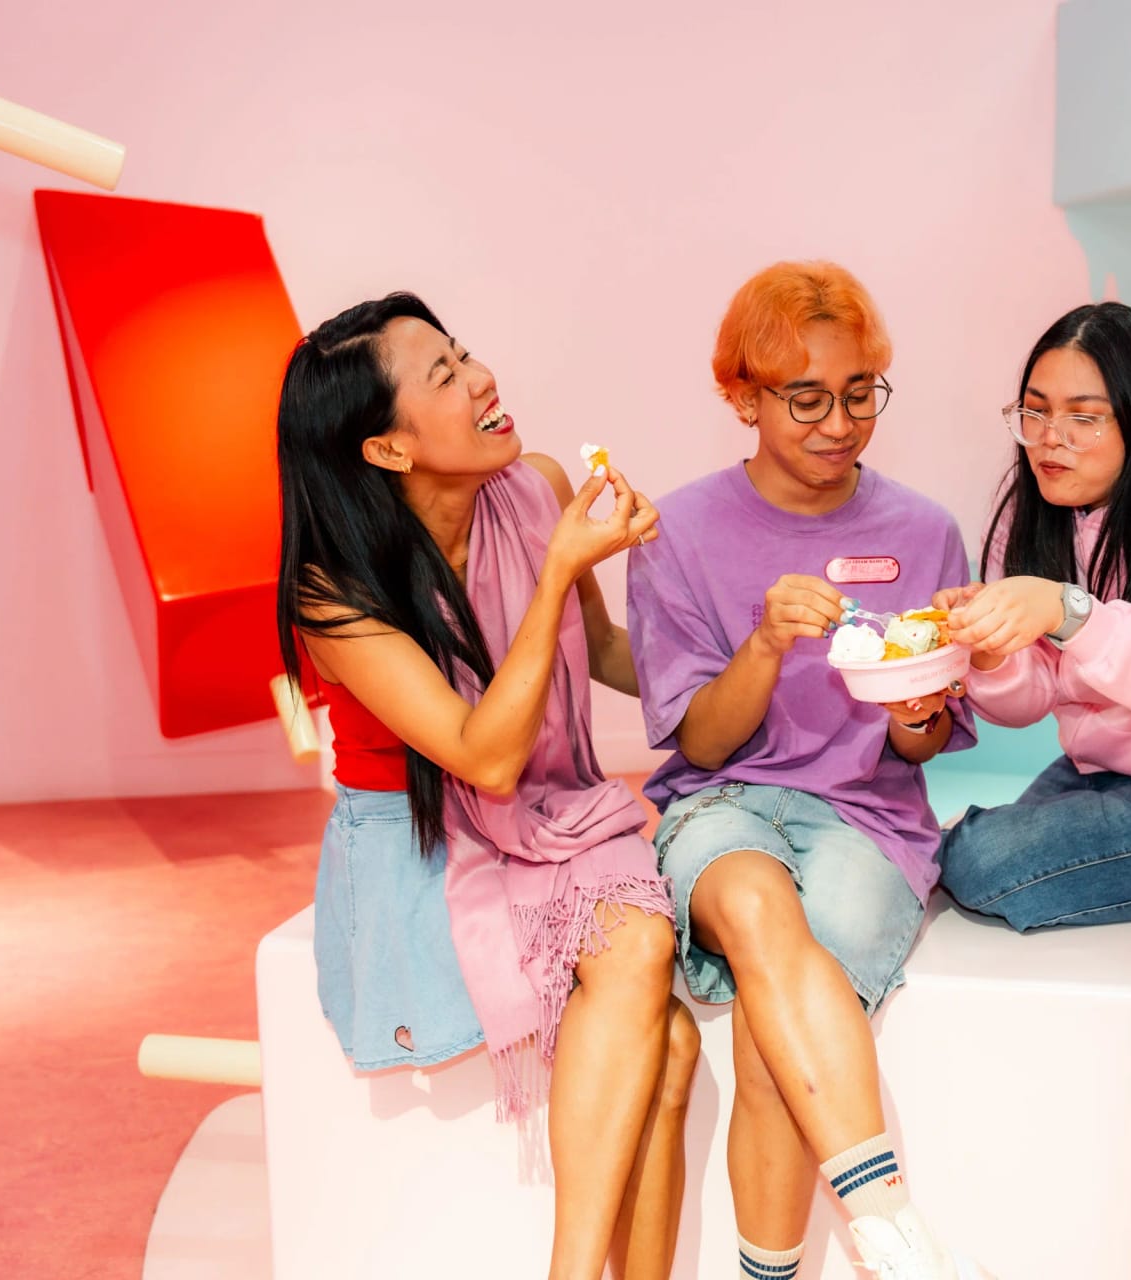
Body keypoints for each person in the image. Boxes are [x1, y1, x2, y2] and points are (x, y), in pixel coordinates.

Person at [277, 293, 698, 1280]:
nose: (482, 380)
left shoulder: (537, 486)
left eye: (464, 353)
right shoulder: (333, 589)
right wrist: (554, 574)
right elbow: (485, 755)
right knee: (647, 971)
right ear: (386, 448)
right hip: (423, 846)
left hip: (548, 812)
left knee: (666, 1037)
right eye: (444, 376)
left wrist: (747, 664)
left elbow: (594, 648)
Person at [626, 261, 990, 1280]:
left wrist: (918, 710)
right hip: (722, 801)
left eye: (861, 392)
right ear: (743, 396)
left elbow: (921, 741)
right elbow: (698, 744)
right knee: (748, 897)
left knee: (769, 1035)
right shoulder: (679, 531)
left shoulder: (924, 531)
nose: (839, 424)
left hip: (868, 817)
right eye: (807, 399)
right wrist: (764, 643)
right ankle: (884, 1211)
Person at [934, 301, 1131, 930]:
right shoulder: (1029, 519)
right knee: (968, 858)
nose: (1050, 438)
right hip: (1103, 771)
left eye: (1083, 418)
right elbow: (1026, 703)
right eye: (1035, 411)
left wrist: (1066, 611)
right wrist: (989, 646)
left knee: (981, 860)